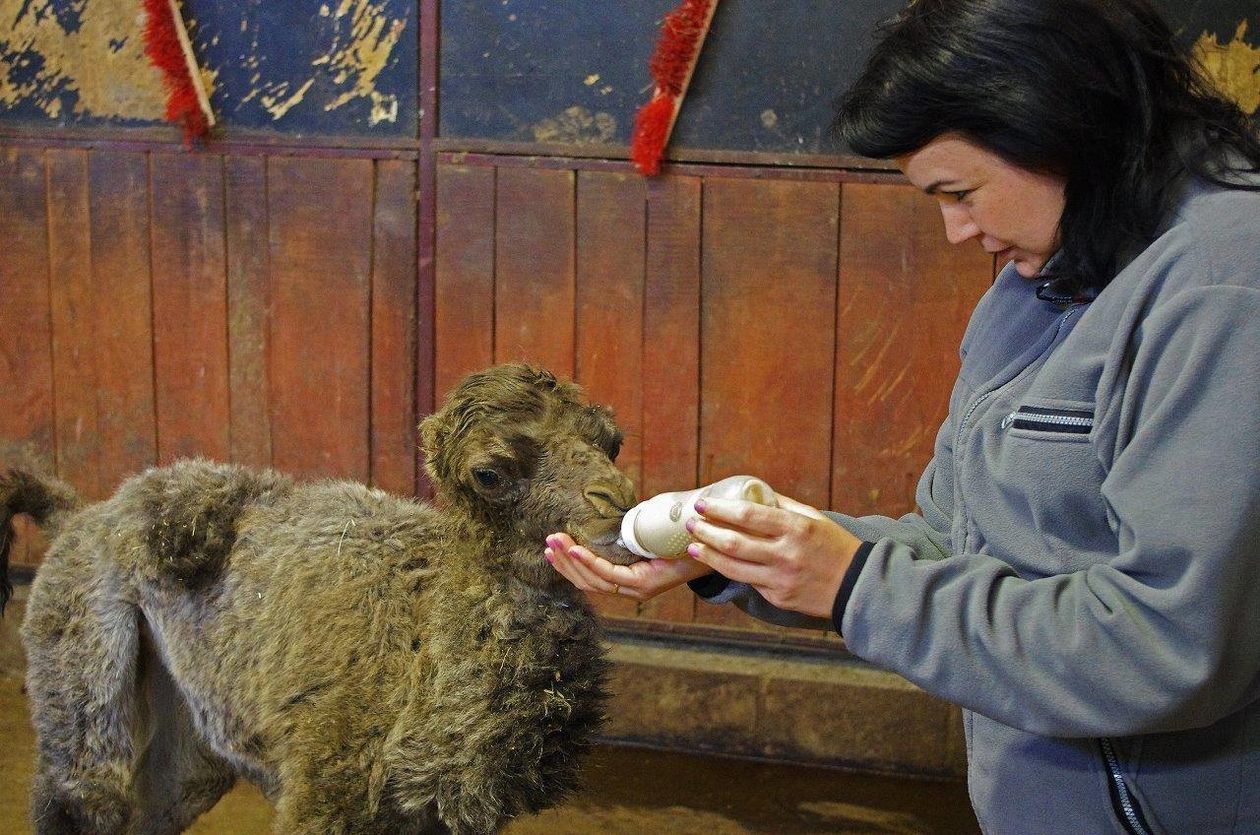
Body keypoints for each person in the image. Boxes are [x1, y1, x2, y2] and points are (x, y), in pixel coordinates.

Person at [545, 0, 1260, 831]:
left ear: (1054, 127)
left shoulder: (1222, 287)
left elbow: (1163, 646)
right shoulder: (1052, 271)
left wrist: (852, 582)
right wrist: (744, 556)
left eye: (960, 192)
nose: (959, 232)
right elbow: (954, 546)